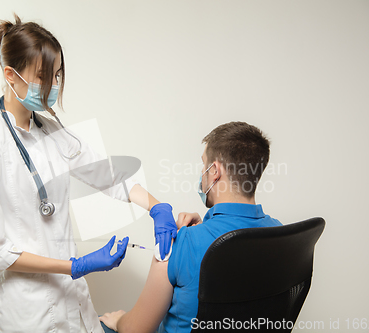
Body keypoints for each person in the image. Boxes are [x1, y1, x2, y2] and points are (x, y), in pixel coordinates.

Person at [0, 14, 177, 333]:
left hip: (69, 303)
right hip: (23, 311)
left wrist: (157, 207)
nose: (54, 85)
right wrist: (76, 266)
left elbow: (107, 173)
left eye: (58, 75)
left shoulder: (52, 131)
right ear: (11, 75)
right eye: (44, 75)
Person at [99, 121, 283, 333]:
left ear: (214, 171)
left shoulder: (182, 243)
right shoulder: (278, 232)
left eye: (203, 164)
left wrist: (120, 320)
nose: (202, 173)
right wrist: (204, 228)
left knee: (99, 322)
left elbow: (136, 330)